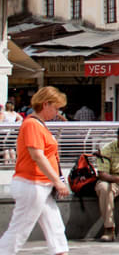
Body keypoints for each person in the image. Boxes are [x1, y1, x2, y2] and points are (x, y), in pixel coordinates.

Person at [0, 86, 69, 255]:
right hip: (33, 183)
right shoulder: (32, 124)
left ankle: (61, 252)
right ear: (46, 104)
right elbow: (37, 156)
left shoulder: (37, 124)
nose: (57, 113)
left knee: (55, 228)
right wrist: (57, 182)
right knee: (20, 230)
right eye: (56, 108)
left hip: (38, 184)